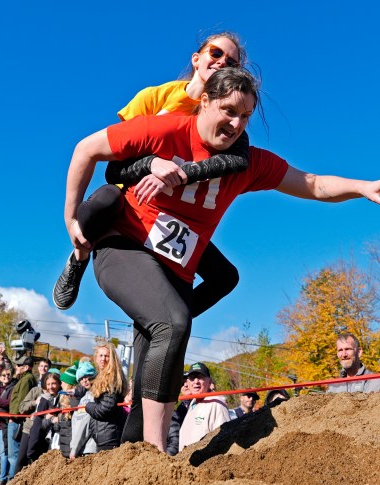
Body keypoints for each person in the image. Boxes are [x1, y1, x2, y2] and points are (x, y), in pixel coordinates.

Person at [62, 66, 380, 452]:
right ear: (205, 102)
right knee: (173, 324)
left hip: (175, 270)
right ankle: (157, 454)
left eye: (245, 116)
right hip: (124, 246)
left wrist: (363, 186)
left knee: (164, 348)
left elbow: (312, 184)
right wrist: (71, 214)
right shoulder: (167, 131)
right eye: (228, 110)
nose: (235, 123)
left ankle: (131, 458)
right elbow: (86, 149)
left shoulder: (247, 164)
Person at [53, 32, 249, 312]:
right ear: (197, 59)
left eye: (231, 63)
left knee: (226, 277)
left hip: (175, 216)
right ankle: (78, 257)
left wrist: (182, 173)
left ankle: (165, 324)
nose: (221, 63)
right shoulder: (154, 98)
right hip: (130, 199)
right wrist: (151, 164)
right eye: (215, 53)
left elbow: (239, 161)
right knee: (105, 201)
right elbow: (113, 169)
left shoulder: (227, 119)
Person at [83, 344, 128, 452]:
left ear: (112, 358)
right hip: (105, 433)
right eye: (101, 355)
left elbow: (105, 409)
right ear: (96, 357)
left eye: (107, 356)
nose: (103, 359)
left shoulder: (111, 377)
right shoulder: (101, 375)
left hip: (109, 434)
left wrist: (88, 406)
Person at [178, 363, 230, 452]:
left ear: (209, 382)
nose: (196, 381)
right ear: (187, 382)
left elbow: (224, 440)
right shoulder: (192, 403)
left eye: (200, 377)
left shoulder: (216, 404)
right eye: (192, 378)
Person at [6, 356, 36, 480]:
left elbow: (21, 402)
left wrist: (14, 417)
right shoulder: (23, 378)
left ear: (27, 367)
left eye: (19, 365)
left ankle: (12, 482)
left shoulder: (26, 379)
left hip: (17, 420)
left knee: (14, 455)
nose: (16, 367)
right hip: (15, 418)